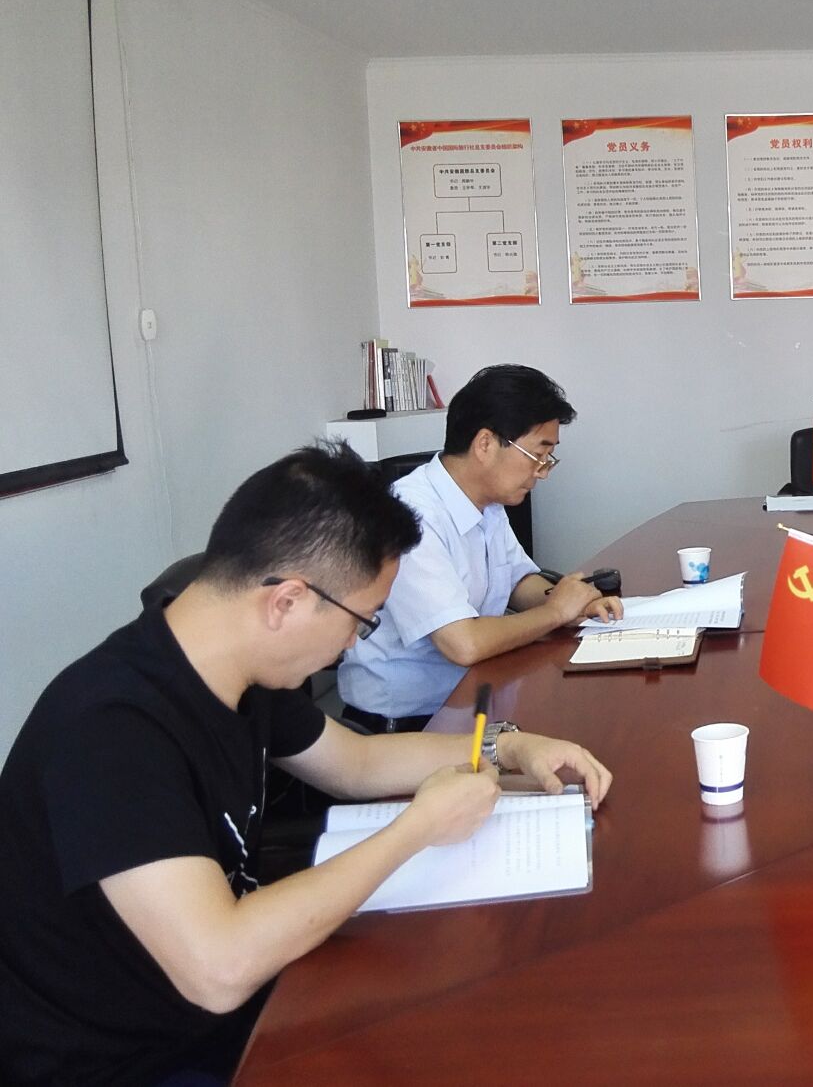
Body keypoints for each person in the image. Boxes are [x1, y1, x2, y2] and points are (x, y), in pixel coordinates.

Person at [0, 444, 614, 1086]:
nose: (353, 644)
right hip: (121, 1059)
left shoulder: (236, 670)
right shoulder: (110, 730)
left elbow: (355, 763)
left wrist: (508, 746)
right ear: (287, 601)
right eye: (361, 622)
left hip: (225, 1014)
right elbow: (217, 969)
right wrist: (416, 829)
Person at [338, 364, 620, 729]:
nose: (543, 471)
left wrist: (574, 602)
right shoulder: (411, 514)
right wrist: (555, 613)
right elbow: (463, 644)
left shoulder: (488, 503)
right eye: (538, 455)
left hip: (472, 697)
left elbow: (519, 581)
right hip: (405, 724)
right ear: (485, 444)